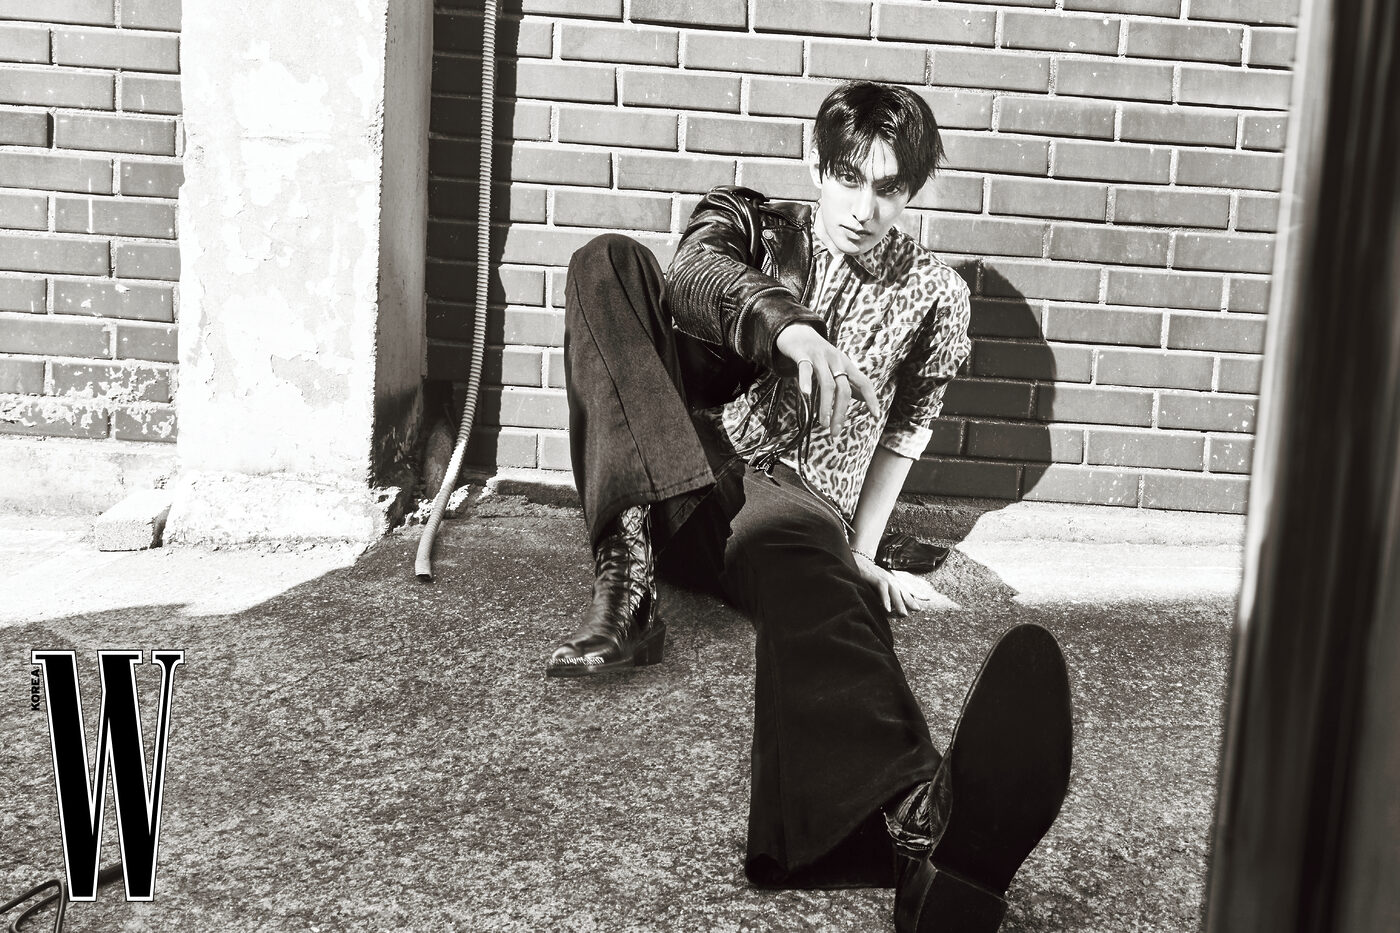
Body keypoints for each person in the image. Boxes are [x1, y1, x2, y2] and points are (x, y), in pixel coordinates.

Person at [546, 81, 1073, 931]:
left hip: (793, 503)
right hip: (683, 472)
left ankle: (916, 829)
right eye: (848, 177)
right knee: (606, 260)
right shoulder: (752, 225)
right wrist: (787, 327)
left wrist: (860, 550)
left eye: (888, 188)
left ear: (912, 191)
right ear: (817, 164)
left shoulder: (936, 295)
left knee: (817, 583)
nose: (863, 208)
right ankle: (628, 577)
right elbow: (693, 275)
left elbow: (905, 431)